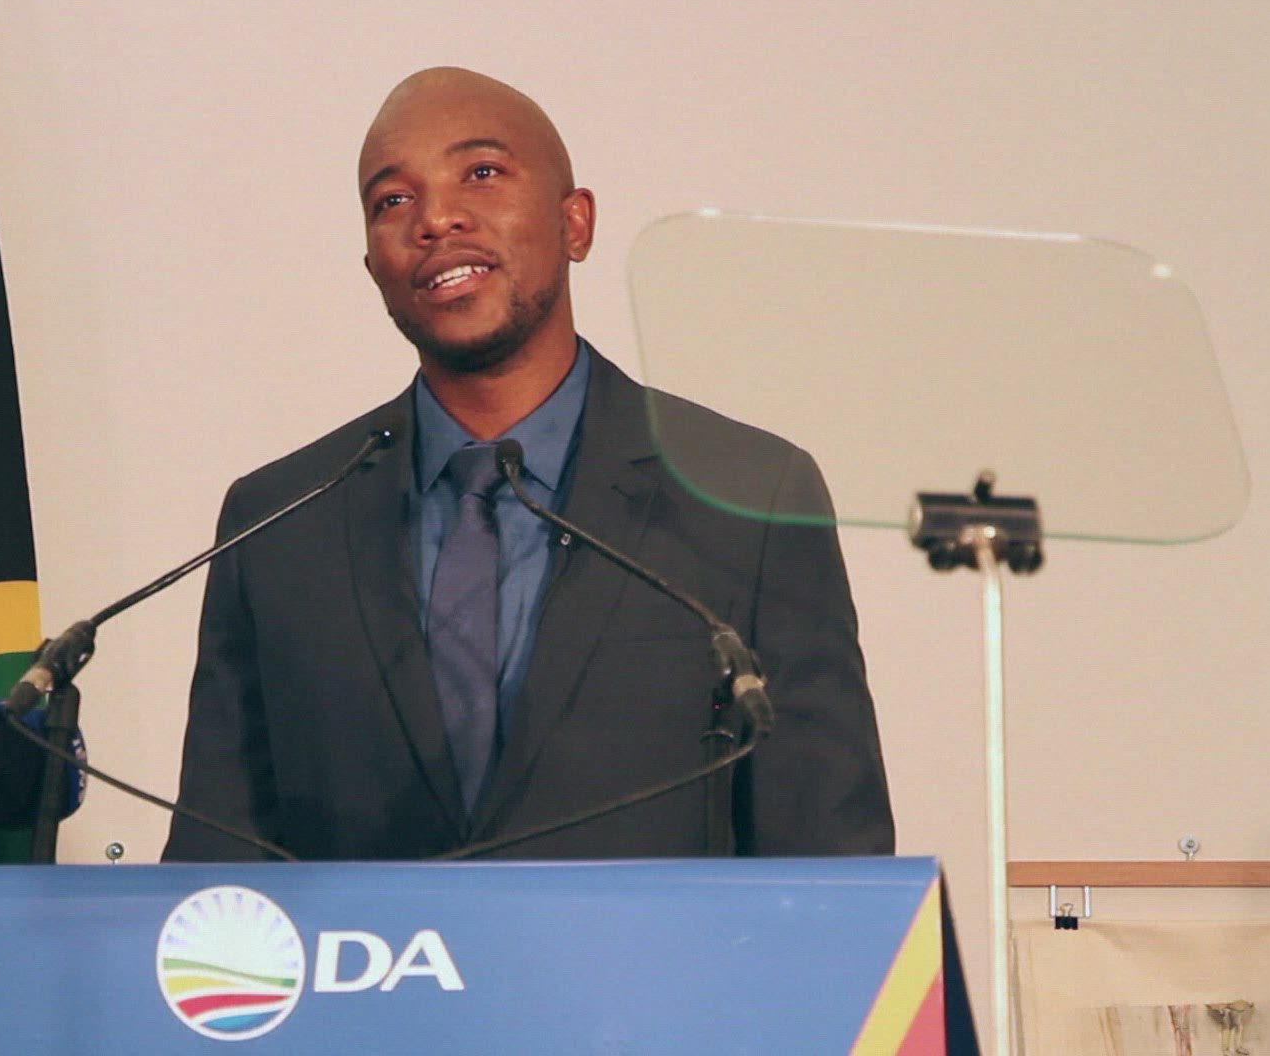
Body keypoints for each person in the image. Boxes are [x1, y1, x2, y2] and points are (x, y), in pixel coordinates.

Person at [162, 67, 892, 861]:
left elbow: (831, 857)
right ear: (374, 269)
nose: (436, 218)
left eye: (481, 173)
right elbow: (215, 877)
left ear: (575, 224)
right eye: (392, 201)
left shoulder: (747, 496)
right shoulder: (279, 524)